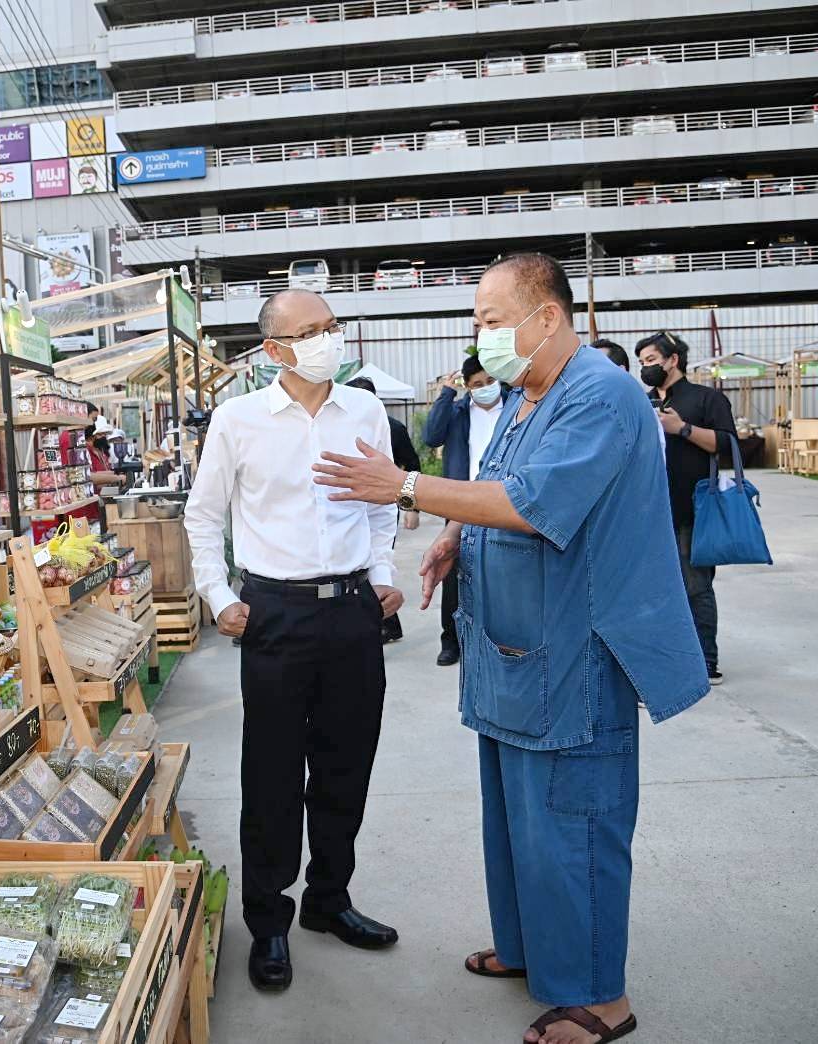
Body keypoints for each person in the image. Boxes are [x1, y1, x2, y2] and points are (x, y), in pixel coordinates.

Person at [313, 253, 707, 1044]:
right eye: (478, 323)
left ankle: (599, 998)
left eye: (492, 321)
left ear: (547, 317)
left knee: (574, 820)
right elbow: (494, 482)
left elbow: (534, 503)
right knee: (517, 819)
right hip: (516, 650)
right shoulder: (529, 396)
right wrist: (454, 536)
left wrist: (404, 487)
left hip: (574, 652)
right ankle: (535, 948)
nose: (482, 336)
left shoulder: (597, 395)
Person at [185, 288, 402, 995]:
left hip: (349, 611)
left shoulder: (364, 409)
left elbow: (380, 506)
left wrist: (381, 574)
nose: (326, 340)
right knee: (272, 776)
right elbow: (202, 515)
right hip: (273, 611)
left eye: (331, 327)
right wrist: (219, 596)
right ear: (274, 350)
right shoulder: (238, 419)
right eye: (309, 331)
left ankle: (328, 899)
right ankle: (268, 920)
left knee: (346, 766)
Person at [637, 331, 735, 683]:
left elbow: (726, 443)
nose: (646, 368)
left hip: (693, 510)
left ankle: (706, 661)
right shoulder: (641, 401)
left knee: (696, 587)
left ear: (672, 359)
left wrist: (682, 428)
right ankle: (668, 656)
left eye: (651, 360)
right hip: (648, 512)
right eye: (642, 363)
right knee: (654, 591)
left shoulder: (706, 399)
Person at [421, 355, 503, 666]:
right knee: (454, 574)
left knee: (502, 572)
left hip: (504, 498)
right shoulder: (457, 412)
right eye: (477, 385)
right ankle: (451, 640)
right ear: (467, 387)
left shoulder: (515, 407)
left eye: (490, 381)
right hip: (462, 502)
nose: (485, 388)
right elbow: (431, 436)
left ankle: (496, 639)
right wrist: (445, 393)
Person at [348, 376, 419, 644]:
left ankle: (385, 621)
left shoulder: (392, 428)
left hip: (382, 507)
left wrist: (413, 507)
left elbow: (411, 463)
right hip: (350, 512)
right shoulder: (336, 427)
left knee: (377, 564)